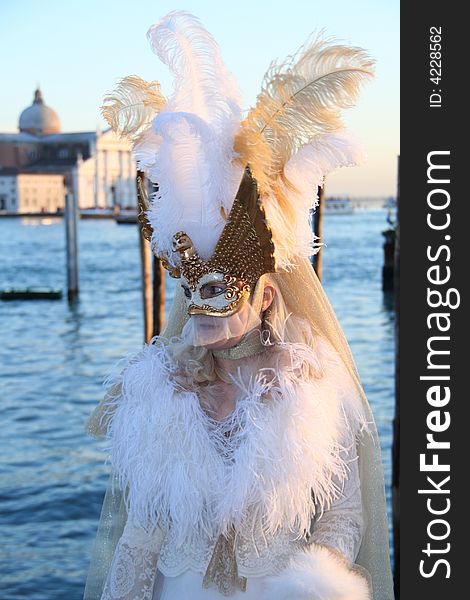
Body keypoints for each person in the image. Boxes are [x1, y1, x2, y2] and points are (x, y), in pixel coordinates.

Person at [83, 10, 394, 600]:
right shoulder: (160, 386)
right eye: (194, 295)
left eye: (223, 293)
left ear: (266, 295)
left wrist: (312, 587)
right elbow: (142, 530)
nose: (203, 311)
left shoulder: (313, 386)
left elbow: (341, 516)